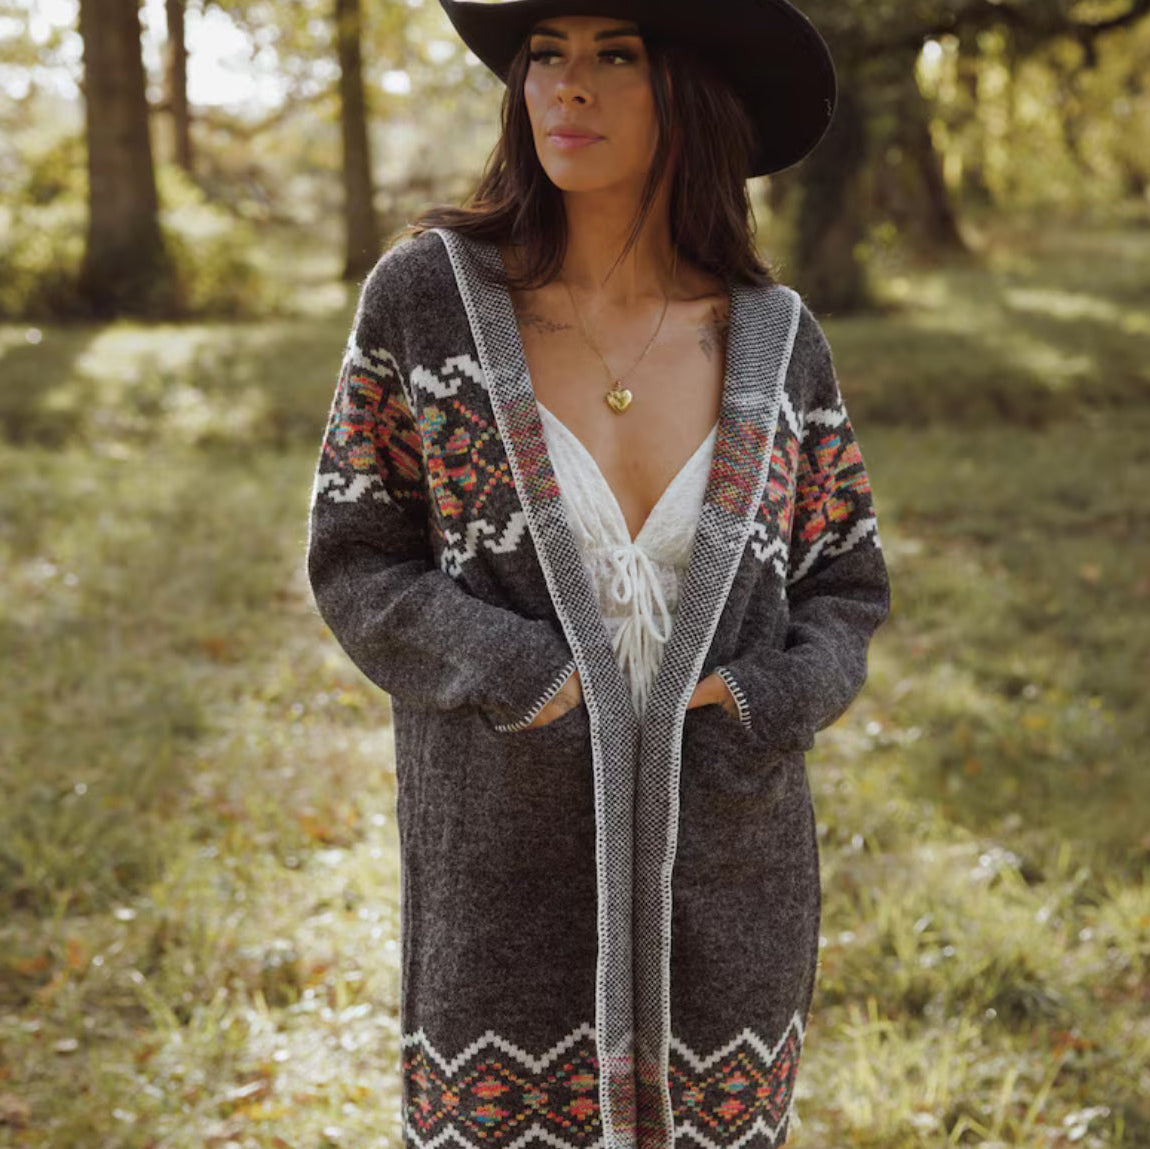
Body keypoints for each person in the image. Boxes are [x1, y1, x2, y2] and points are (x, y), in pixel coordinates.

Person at [306, 1, 890, 1146]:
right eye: (546, 57)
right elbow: (356, 558)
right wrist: (518, 667)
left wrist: (762, 701)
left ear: (694, 89)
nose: (567, 89)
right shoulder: (429, 305)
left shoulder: (775, 340)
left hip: (730, 872)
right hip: (501, 867)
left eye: (614, 56)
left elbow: (846, 584)